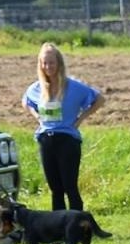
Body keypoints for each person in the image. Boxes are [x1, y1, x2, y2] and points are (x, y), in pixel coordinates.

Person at [23, 42, 104, 212]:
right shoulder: (37, 88)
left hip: (67, 140)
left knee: (70, 187)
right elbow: (26, 102)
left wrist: (81, 118)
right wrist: (36, 116)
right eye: (44, 63)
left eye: (51, 62)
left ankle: (78, 226)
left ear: (59, 63)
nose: (48, 67)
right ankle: (58, 230)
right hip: (46, 139)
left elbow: (99, 99)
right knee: (55, 190)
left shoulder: (73, 87)